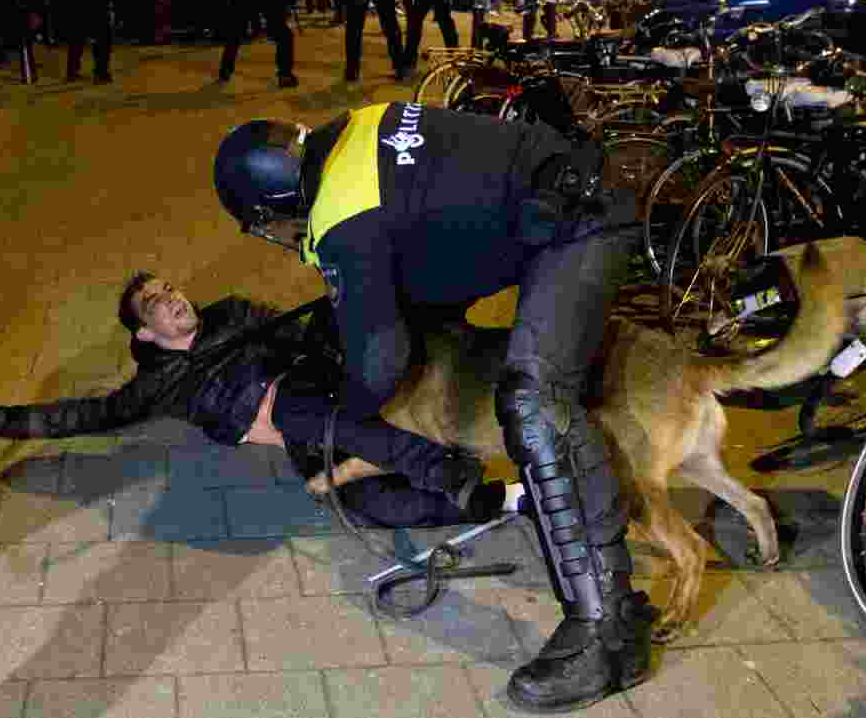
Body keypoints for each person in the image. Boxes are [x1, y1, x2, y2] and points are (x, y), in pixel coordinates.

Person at [214, 105, 659, 713]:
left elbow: (381, 359)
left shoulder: (342, 218)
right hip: (568, 189)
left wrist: (348, 418)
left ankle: (608, 634)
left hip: (580, 226)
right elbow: (432, 239)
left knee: (532, 403)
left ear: (273, 207)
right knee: (515, 381)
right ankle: (609, 604)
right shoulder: (352, 132)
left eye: (268, 225)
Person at [0, 270, 519, 529]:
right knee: (370, 509)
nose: (172, 299)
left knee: (294, 407)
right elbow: (87, 414)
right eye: (154, 303)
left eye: (169, 288)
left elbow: (312, 339)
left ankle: (440, 468)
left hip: (312, 391)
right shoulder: (158, 384)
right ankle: (506, 499)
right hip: (302, 436)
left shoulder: (235, 315)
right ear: (145, 333)